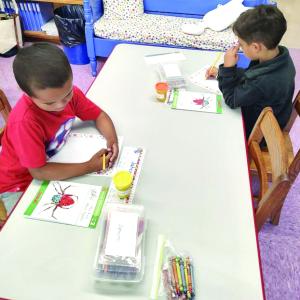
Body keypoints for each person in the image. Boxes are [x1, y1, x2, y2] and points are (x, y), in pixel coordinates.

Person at [0, 43, 119, 199]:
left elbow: (100, 116)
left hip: (54, 164)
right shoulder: (25, 122)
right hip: (18, 185)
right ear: (27, 94)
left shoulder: (70, 94)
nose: (61, 105)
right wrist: (89, 166)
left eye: (67, 94)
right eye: (50, 103)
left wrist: (112, 140)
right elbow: (39, 171)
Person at [206, 5, 296, 139]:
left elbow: (231, 99)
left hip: (257, 135)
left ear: (255, 47)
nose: (239, 46)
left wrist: (228, 69)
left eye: (241, 44)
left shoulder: (262, 82)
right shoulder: (280, 56)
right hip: (271, 120)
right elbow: (252, 74)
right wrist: (223, 72)